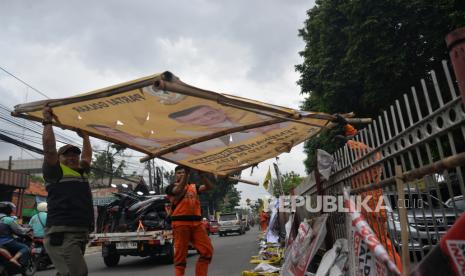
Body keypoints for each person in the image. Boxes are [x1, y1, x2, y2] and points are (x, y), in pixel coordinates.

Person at [334, 114, 402, 270]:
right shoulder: (361, 157)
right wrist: (345, 125)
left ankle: (397, 270)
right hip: (365, 203)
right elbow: (355, 137)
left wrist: (347, 141)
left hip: (372, 205)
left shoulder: (372, 154)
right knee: (371, 244)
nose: (353, 141)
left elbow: (358, 144)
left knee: (382, 244)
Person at [42, 105, 94, 276]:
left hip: (80, 233)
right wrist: (48, 122)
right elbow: (49, 150)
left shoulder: (81, 172)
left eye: (75, 154)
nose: (73, 157)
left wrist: (86, 138)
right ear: (59, 158)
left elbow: (87, 156)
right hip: (62, 233)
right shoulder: (55, 171)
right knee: (78, 273)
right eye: (67, 155)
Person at [165, 166, 214, 276]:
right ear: (175, 175)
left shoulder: (193, 187)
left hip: (197, 224)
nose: (181, 174)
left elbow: (209, 187)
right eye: (179, 173)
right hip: (180, 224)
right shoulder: (171, 187)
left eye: (183, 172)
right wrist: (186, 174)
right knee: (180, 257)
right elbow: (178, 190)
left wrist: (202, 175)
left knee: (207, 252)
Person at [0, 201, 31, 267]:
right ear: (8, 210)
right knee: (25, 247)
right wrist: (28, 229)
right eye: (11, 209)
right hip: (6, 241)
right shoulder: (8, 219)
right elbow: (20, 231)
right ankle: (14, 259)